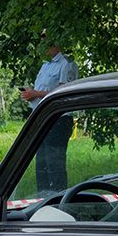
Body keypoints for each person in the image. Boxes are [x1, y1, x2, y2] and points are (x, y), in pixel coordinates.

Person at [21, 42, 79, 192]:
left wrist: (35, 94)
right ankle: (42, 198)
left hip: (58, 119)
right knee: (41, 163)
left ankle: (57, 199)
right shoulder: (45, 65)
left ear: (57, 43)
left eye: (47, 42)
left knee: (55, 163)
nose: (44, 45)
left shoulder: (67, 63)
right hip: (41, 117)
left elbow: (65, 92)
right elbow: (43, 91)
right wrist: (31, 93)